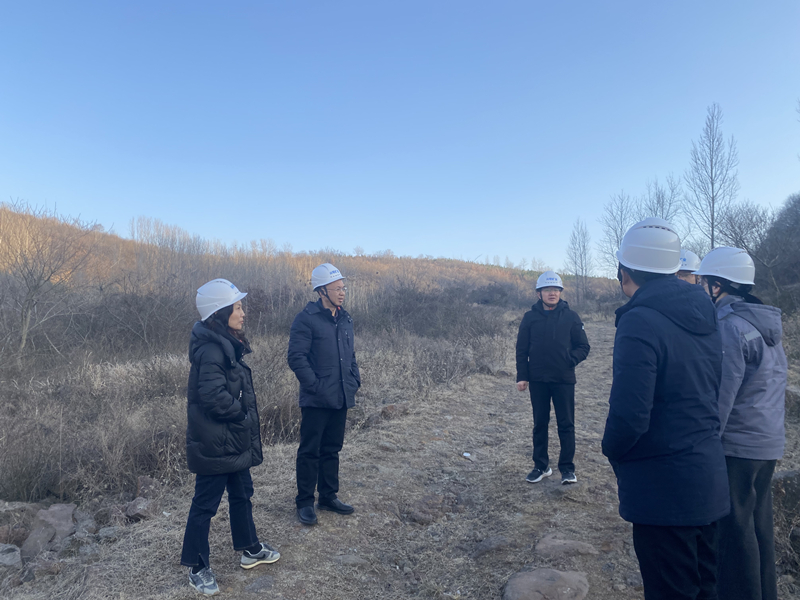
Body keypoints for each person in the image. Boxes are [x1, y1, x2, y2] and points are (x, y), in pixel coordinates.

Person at [602, 218, 730, 600]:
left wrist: (612, 450)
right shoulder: (705, 312)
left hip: (663, 491)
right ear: (675, 269)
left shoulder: (638, 320)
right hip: (708, 477)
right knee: (705, 589)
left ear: (624, 272)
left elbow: (630, 415)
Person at [695, 247, 787, 600]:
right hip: (768, 443)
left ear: (717, 286)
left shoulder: (729, 327)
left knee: (734, 534)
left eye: (704, 282)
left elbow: (722, 395)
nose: (701, 288)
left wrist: (704, 446)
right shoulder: (765, 325)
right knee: (759, 527)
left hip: (737, 446)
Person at [181, 279, 280, 596]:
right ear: (220, 313)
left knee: (242, 493)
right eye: (237, 307)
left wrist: (240, 419)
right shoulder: (212, 349)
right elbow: (212, 397)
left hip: (231, 439)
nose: (243, 313)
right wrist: (241, 414)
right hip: (215, 443)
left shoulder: (224, 343)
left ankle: (250, 548)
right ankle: (197, 568)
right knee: (205, 505)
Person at [288, 263, 360, 526]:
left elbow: (350, 355)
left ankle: (328, 496)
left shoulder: (345, 318)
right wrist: (315, 386)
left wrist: (354, 379)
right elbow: (296, 357)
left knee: (332, 449)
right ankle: (305, 502)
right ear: (321, 291)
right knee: (310, 451)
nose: (342, 293)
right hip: (316, 399)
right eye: (336, 288)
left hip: (341, 395)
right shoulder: (306, 319)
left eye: (343, 288)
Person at [515, 270, 590, 485]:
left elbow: (583, 346)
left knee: (566, 424)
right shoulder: (530, 317)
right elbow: (521, 349)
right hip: (538, 380)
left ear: (560, 292)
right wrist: (522, 376)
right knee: (540, 423)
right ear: (539, 293)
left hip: (563, 379)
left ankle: (567, 469)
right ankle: (541, 466)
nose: (552, 293)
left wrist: (569, 360)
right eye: (547, 290)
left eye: (556, 290)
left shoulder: (571, 317)